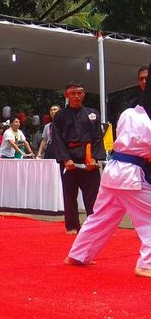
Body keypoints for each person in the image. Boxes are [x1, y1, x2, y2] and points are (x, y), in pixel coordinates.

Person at [64, 103, 151, 277]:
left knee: (101, 216)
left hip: (114, 170)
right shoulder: (146, 119)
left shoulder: (129, 112)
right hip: (131, 174)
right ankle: (147, 264)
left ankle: (78, 255)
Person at [51, 81, 105, 234]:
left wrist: (95, 158)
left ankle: (94, 226)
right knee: (69, 194)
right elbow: (57, 139)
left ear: (84, 94)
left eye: (79, 93)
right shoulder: (60, 116)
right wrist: (65, 159)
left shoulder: (92, 113)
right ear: (66, 95)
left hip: (89, 158)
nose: (76, 96)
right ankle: (73, 225)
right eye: (73, 93)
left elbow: (97, 138)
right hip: (70, 160)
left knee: (93, 195)